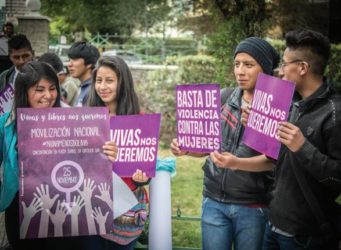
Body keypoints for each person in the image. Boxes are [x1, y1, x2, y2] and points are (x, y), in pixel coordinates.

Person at [213, 29, 341, 250]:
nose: (280, 71)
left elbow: (337, 178)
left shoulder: (334, 113)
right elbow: (277, 157)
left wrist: (303, 147)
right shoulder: (288, 103)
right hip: (273, 224)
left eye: (284, 64)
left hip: (306, 235)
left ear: (302, 68)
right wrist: (256, 127)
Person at [170, 37, 279, 250]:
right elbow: (207, 147)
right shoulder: (223, 98)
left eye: (248, 65)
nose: (240, 71)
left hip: (252, 206)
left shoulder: (276, 107)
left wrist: (235, 163)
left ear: (265, 69)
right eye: (237, 64)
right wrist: (187, 150)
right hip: (213, 202)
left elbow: (273, 161)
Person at [0, 61, 117, 250]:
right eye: (39, 90)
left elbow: (90, 160)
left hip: (63, 211)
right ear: (23, 91)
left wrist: (107, 153)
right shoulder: (6, 125)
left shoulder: (71, 119)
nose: (48, 96)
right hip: (21, 211)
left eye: (52, 88)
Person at [87, 56, 150, 250]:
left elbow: (145, 168)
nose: (103, 86)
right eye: (99, 80)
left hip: (126, 210)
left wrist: (142, 178)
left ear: (122, 82)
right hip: (91, 206)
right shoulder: (85, 118)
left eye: (109, 80)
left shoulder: (140, 120)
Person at [67, 41, 99, 106]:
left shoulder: (93, 90)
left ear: (89, 64)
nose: (69, 64)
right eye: (69, 60)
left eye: (75, 59)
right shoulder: (84, 86)